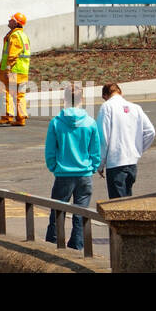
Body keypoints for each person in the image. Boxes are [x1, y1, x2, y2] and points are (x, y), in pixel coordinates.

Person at [43, 82, 101, 250]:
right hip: (84, 173)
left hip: (63, 173)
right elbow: (95, 151)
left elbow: (50, 150)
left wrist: (54, 167)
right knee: (81, 214)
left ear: (65, 99)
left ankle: (53, 243)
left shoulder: (56, 123)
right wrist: (92, 166)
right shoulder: (90, 122)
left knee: (57, 212)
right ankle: (77, 245)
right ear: (82, 99)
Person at [96, 83, 155, 198]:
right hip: (132, 162)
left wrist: (100, 164)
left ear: (105, 96)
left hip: (116, 163)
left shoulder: (107, 107)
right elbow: (150, 132)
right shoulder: (136, 108)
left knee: (116, 206)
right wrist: (138, 150)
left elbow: (103, 138)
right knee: (127, 203)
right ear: (120, 93)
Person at [0, 11, 31, 125]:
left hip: (13, 70)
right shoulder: (23, 36)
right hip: (22, 70)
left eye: (11, 19)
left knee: (5, 92)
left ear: (16, 23)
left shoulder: (15, 36)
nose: (9, 20)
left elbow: (12, 55)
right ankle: (21, 118)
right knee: (19, 94)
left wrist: (7, 69)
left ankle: (7, 117)